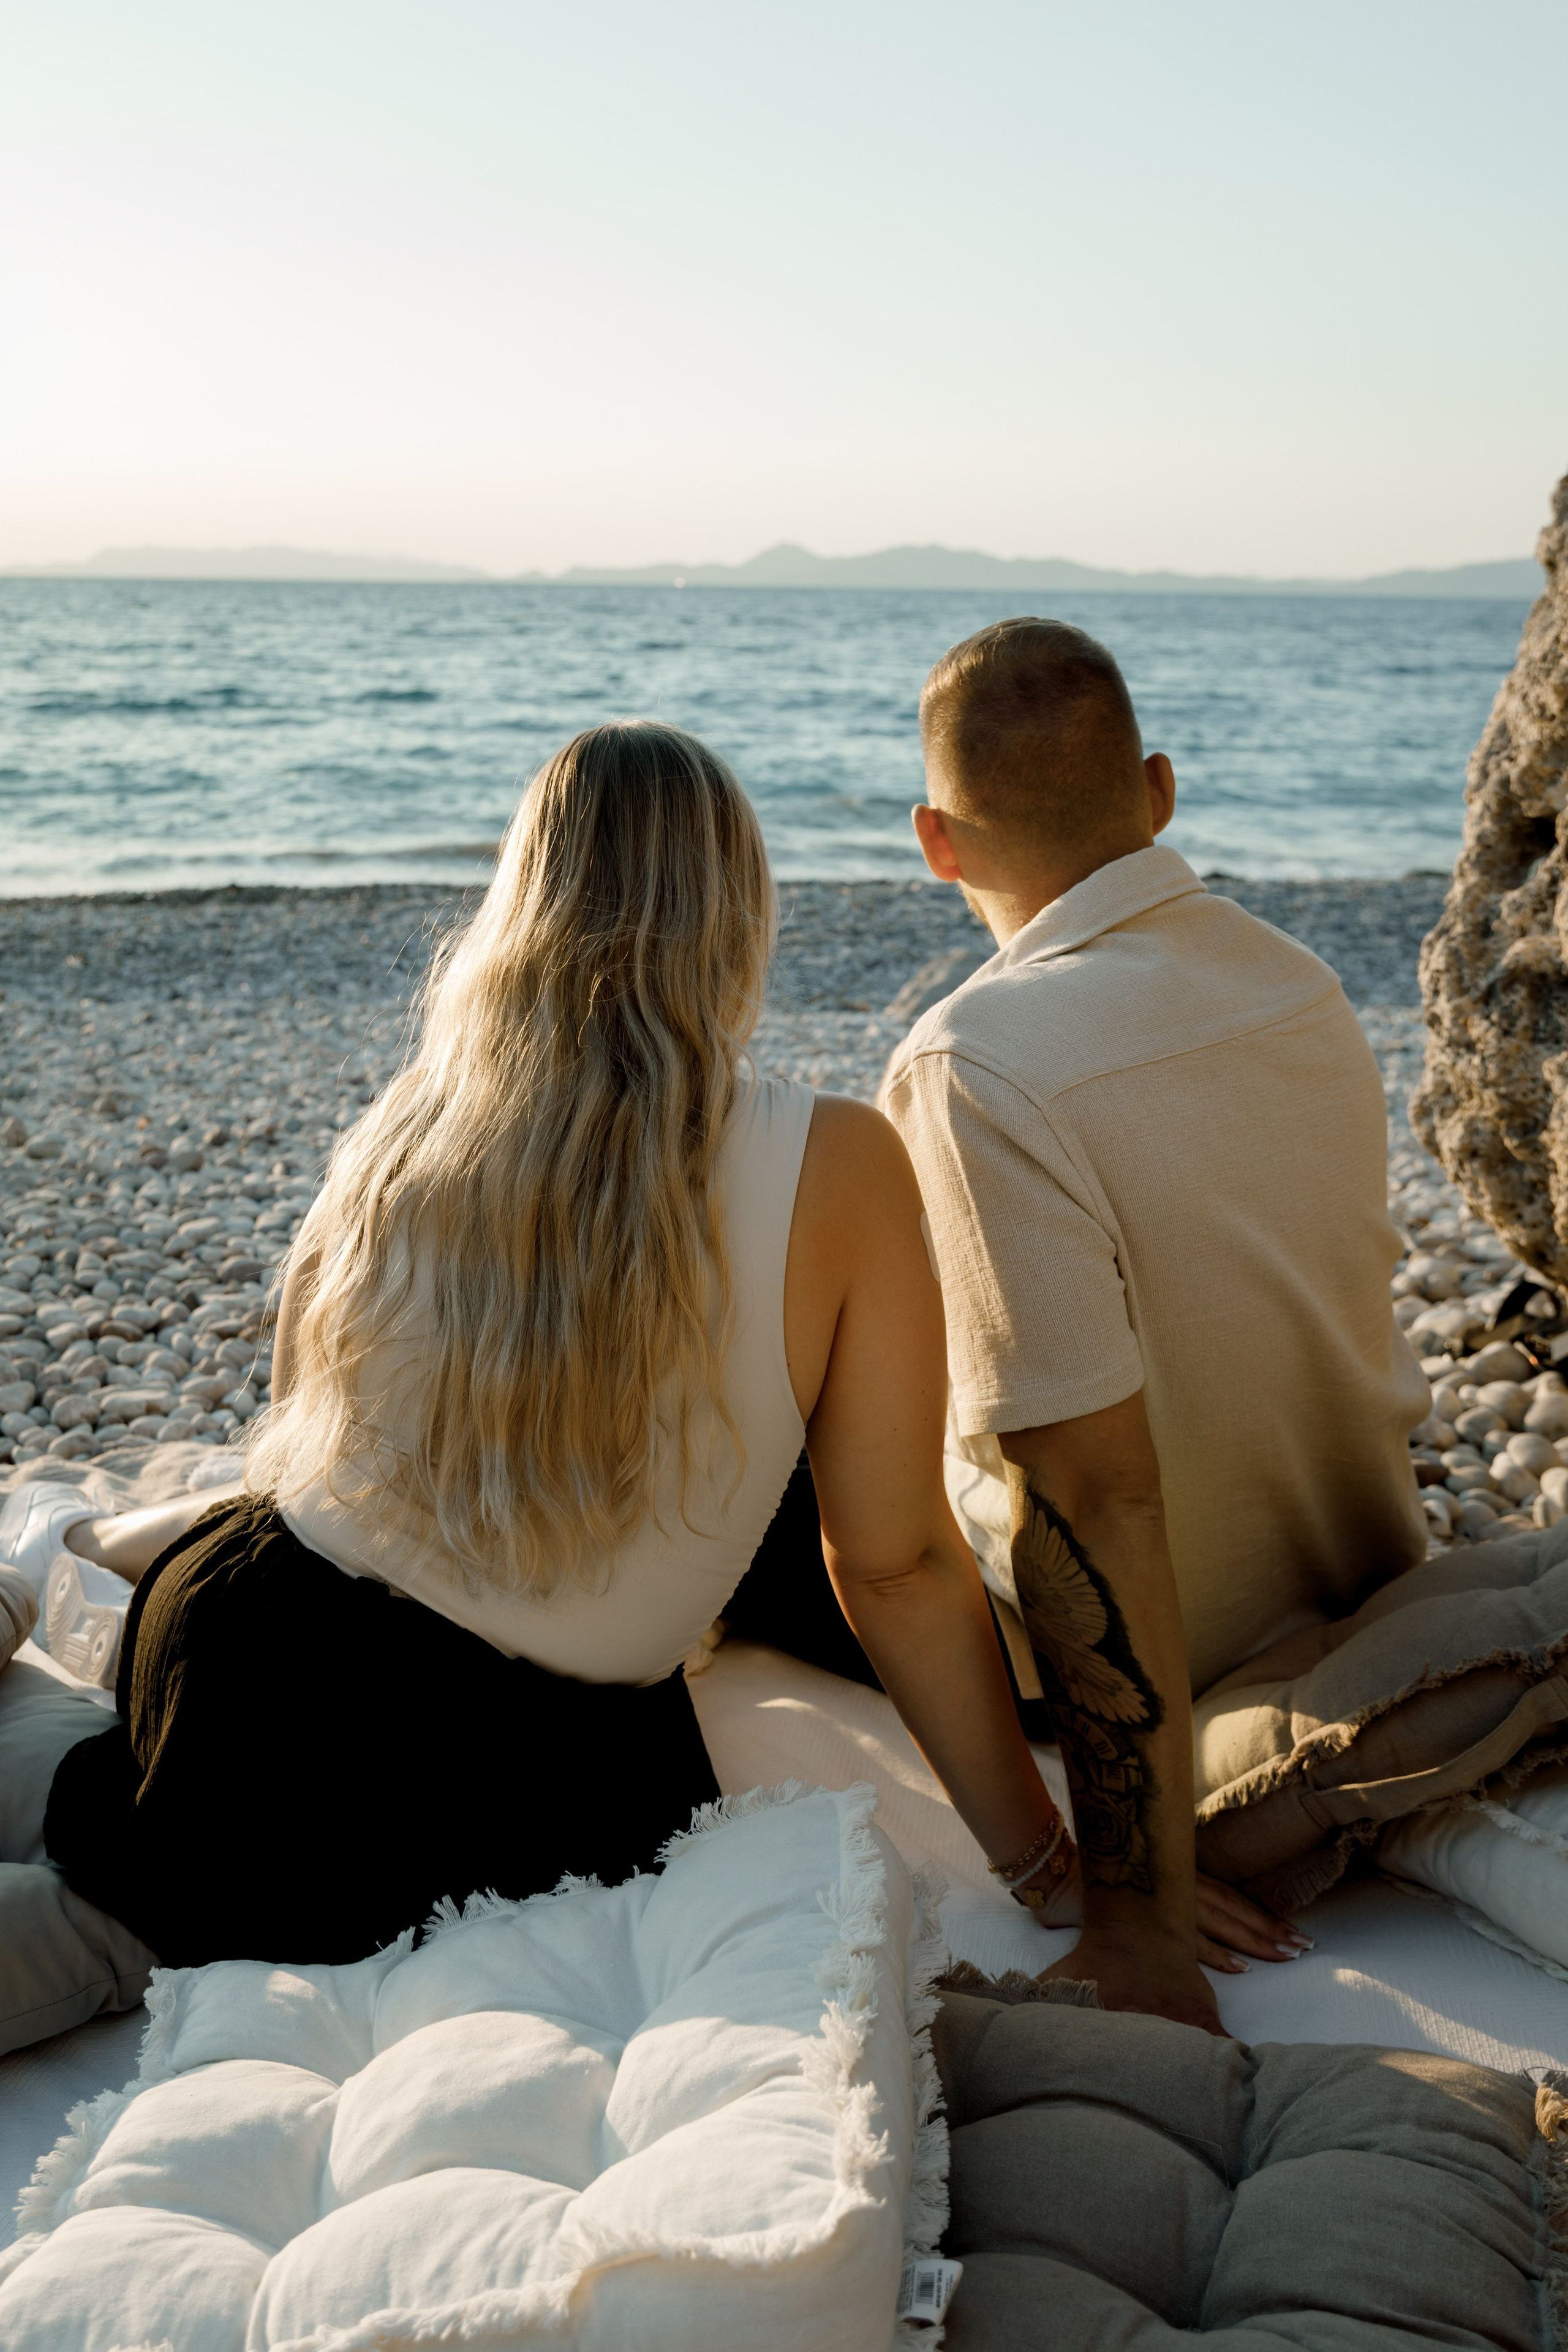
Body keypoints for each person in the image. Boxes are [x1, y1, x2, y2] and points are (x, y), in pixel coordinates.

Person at [10, 721, 1073, 1999]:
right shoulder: (835, 1159)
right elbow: (892, 1565)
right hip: (476, 1762)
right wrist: (1047, 1865)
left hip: (242, 1634)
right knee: (137, 1922)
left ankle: (59, 1571)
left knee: (132, 1815)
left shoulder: (418, 1115)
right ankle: (57, 1577)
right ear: (737, 911)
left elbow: (300, 1424)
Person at [869, 617, 1431, 2027]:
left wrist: (1129, 1909)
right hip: (1354, 1560)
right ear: (1159, 789)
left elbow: (1091, 1486)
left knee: (789, 1447)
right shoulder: (1299, 983)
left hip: (1172, 1647)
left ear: (937, 843)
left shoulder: (972, 1061)